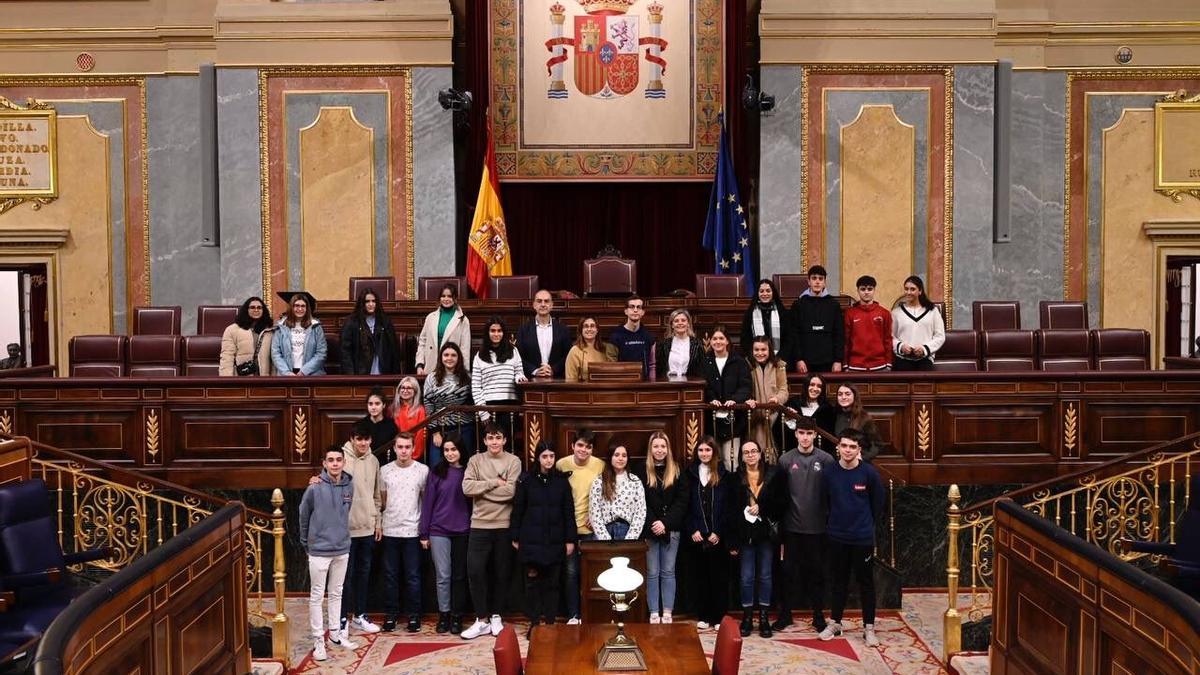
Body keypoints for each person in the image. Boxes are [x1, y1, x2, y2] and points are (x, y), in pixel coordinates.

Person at [820, 428, 885, 648]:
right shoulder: (828, 472)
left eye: (852, 447)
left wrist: (864, 526)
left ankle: (869, 628)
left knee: (866, 583)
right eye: (844, 446)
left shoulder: (869, 474)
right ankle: (836, 622)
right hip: (837, 537)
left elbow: (878, 506)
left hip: (862, 538)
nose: (847, 450)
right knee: (838, 581)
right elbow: (824, 502)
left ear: (859, 450)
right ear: (837, 447)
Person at [771, 416, 834, 634]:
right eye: (801, 433)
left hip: (818, 528)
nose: (805, 437)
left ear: (815, 435)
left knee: (816, 573)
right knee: (788, 573)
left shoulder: (826, 460)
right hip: (791, 529)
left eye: (809, 433)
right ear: (796, 434)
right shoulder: (785, 460)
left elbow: (831, 494)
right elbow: (779, 495)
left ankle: (818, 616)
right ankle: (785, 615)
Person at [460, 424, 523, 639]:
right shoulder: (475, 461)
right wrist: (495, 482)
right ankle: (481, 619)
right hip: (479, 525)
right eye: (490, 438)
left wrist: (482, 490)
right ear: (485, 441)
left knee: (501, 573)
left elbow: (512, 491)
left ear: (504, 440)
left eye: (498, 437)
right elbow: (467, 488)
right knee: (476, 572)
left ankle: (496, 616)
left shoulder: (513, 461)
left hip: (503, 526)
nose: (494, 442)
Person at [299, 445, 358, 662]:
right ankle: (318, 641)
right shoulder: (314, 488)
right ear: (324, 463)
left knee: (336, 593)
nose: (335, 464)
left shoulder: (349, 485)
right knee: (317, 596)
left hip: (342, 548)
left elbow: (344, 513)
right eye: (330, 460)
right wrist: (307, 542)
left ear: (343, 462)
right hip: (319, 550)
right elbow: (303, 515)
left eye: (338, 460)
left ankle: (335, 633)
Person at [511, 441, 577, 633]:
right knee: (532, 584)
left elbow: (568, 513)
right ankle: (534, 623)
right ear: (538, 458)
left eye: (551, 456)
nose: (548, 460)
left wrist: (570, 540)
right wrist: (515, 535)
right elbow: (518, 510)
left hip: (555, 541)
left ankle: (549, 622)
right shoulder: (526, 480)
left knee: (553, 584)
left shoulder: (562, 482)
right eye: (544, 456)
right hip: (531, 541)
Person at [419, 434, 472, 635]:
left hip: (462, 530)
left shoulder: (468, 472)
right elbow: (428, 504)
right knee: (443, 575)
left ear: (460, 450)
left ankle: (458, 616)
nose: (450, 453)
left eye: (453, 449)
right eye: (446, 450)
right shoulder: (436, 473)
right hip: (438, 530)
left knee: (459, 576)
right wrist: (424, 533)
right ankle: (444, 614)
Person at [729, 439, 781, 638]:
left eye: (753, 451)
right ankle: (748, 616)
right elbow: (731, 510)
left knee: (766, 575)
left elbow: (782, 503)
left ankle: (764, 617)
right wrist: (733, 540)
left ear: (761, 454)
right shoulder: (736, 478)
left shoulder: (773, 474)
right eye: (746, 452)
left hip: (766, 532)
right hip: (746, 534)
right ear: (742, 457)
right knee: (746, 577)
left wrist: (763, 507)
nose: (750, 455)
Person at [336, 421, 383, 636]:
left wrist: (378, 521)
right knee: (345, 576)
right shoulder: (341, 460)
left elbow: (376, 495)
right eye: (359, 439)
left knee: (364, 575)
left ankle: (360, 616)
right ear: (352, 439)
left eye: (366, 439)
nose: (363, 443)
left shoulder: (374, 461)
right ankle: (342, 619)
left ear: (370, 440)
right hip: (345, 529)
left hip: (367, 527)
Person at [379, 432, 429, 633]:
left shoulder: (422, 471)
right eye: (400, 447)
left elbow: (425, 501)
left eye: (407, 447)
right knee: (390, 575)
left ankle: (414, 616)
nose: (403, 451)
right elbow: (382, 500)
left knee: (413, 576)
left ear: (413, 448)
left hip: (412, 531)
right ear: (394, 448)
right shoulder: (384, 471)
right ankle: (391, 615)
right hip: (390, 530)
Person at [637, 431, 689, 624]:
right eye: (656, 446)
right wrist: (655, 523)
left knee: (668, 571)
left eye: (663, 446)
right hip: (650, 529)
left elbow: (682, 501)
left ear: (668, 449)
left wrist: (665, 523)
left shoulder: (676, 470)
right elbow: (640, 501)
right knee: (652, 572)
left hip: (671, 529)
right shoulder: (641, 470)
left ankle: (667, 611)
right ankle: (653, 612)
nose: (659, 450)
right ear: (650, 449)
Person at [556, 429, 605, 624]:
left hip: (591, 529)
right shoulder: (561, 464)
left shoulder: (600, 465)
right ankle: (574, 615)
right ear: (573, 446)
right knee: (570, 574)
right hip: (568, 529)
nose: (584, 450)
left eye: (588, 447)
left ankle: (590, 614)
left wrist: (596, 516)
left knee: (592, 574)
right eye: (580, 445)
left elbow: (606, 494)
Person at [686, 435, 731, 631]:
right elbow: (685, 505)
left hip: (717, 536)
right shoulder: (689, 474)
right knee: (700, 578)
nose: (704, 454)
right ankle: (703, 616)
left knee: (718, 578)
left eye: (708, 450)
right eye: (701, 450)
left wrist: (718, 532)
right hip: (697, 536)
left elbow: (728, 507)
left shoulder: (723, 474)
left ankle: (719, 617)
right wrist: (692, 528)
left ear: (714, 452)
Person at [701, 325, 752, 471]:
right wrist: (711, 398)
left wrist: (735, 399)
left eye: (721, 338)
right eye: (714, 339)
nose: (718, 342)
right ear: (710, 342)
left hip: (733, 422)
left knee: (731, 462)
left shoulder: (739, 362)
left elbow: (746, 387)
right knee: (714, 463)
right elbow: (703, 386)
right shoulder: (705, 362)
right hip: (712, 422)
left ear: (727, 341)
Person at [471, 317, 526, 437]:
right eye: (493, 331)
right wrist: (482, 411)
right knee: (491, 443)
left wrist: (519, 377)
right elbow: (475, 386)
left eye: (499, 331)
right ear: (487, 333)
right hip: (489, 406)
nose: (496, 334)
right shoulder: (479, 355)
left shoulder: (513, 351)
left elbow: (519, 371)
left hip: (510, 405)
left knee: (507, 442)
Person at [424, 342, 474, 464]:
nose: (449, 358)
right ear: (441, 357)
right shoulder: (432, 378)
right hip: (440, 430)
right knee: (436, 465)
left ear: (459, 358)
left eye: (453, 355)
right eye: (446, 355)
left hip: (464, 429)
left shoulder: (467, 377)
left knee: (464, 466)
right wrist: (435, 432)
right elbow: (428, 405)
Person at [789, 265, 843, 374]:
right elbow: (794, 334)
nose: (817, 282)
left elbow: (839, 334)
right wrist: (798, 359)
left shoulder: (834, 305)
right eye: (814, 278)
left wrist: (838, 360)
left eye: (820, 278)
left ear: (825, 282)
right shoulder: (798, 304)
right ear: (808, 281)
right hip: (805, 361)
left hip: (828, 361)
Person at [589, 441, 646, 541]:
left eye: (624, 455)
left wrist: (631, 538)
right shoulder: (599, 481)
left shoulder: (635, 481)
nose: (620, 458)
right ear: (610, 457)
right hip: (604, 531)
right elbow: (594, 512)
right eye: (616, 455)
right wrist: (604, 538)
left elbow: (640, 512)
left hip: (627, 531)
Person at [747, 336, 789, 464]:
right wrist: (748, 400)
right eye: (756, 349)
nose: (760, 353)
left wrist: (777, 398)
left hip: (773, 415)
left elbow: (784, 389)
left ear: (769, 350)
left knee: (775, 449)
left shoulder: (779, 365)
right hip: (755, 415)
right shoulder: (747, 364)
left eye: (763, 349)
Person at [515, 289, 574, 379]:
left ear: (551, 305)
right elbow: (518, 356)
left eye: (546, 301)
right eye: (539, 301)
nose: (543, 304)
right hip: (530, 381)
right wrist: (535, 370)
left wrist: (553, 370)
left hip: (557, 381)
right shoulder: (523, 330)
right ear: (534, 305)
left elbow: (568, 355)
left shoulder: (563, 329)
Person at [340, 287, 400, 375]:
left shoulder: (385, 321)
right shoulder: (352, 323)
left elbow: (393, 350)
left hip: (383, 371)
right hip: (360, 373)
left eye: (374, 301)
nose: (371, 304)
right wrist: (351, 376)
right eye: (367, 301)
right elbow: (345, 352)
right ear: (362, 303)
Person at [892, 275, 946, 371]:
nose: (908, 292)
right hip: (902, 359)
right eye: (906, 289)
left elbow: (940, 336)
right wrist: (901, 346)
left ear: (920, 291)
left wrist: (925, 348)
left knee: (924, 384)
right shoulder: (896, 313)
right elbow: (890, 337)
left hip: (925, 359)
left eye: (912, 289)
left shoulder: (932, 311)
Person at [416, 283, 471, 377]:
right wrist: (419, 365)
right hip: (431, 366)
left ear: (455, 298)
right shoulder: (430, 317)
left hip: (452, 368)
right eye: (443, 296)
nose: (446, 299)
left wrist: (464, 371)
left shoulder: (463, 319)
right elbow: (422, 342)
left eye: (449, 296)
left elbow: (465, 348)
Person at [844, 275, 893, 372]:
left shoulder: (884, 313)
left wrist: (889, 363)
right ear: (858, 290)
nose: (866, 292)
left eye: (869, 289)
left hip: (880, 365)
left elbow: (888, 339)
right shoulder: (850, 313)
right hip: (855, 365)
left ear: (874, 290)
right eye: (863, 289)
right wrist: (845, 364)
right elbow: (846, 340)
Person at [270, 291, 327, 375]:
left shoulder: (316, 327)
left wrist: (304, 371)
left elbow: (321, 353)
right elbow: (276, 353)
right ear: (291, 307)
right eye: (296, 306)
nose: (300, 309)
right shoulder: (281, 327)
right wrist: (287, 372)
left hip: (311, 374)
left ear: (307, 308)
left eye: (303, 306)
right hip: (287, 374)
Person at [219, 296, 275, 376]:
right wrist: (226, 380)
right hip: (242, 378)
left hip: (264, 378)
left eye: (259, 308)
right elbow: (227, 357)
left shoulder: (270, 331)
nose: (256, 310)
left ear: (263, 310)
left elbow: (275, 359)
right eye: (252, 307)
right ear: (246, 310)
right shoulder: (232, 330)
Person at [741, 279, 791, 365]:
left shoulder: (782, 312)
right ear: (757, 293)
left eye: (768, 291)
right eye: (761, 291)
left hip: (779, 359)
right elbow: (745, 339)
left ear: (773, 293)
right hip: (756, 359)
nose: (765, 294)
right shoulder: (750, 313)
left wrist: (779, 358)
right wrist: (755, 357)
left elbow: (789, 338)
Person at [783, 373, 836, 451]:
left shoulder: (828, 409)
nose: (815, 389)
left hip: (818, 452)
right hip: (794, 451)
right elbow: (783, 432)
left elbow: (829, 437)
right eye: (812, 385)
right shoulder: (793, 403)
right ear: (806, 386)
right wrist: (789, 419)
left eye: (819, 386)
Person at [833, 383, 884, 461]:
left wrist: (863, 458)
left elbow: (878, 445)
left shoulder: (864, 418)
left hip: (858, 463)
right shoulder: (834, 415)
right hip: (839, 462)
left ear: (854, 396)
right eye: (840, 394)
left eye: (847, 394)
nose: (843, 397)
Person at [609, 295, 656, 379]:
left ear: (643, 312)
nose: (635, 310)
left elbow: (652, 365)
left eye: (639, 307)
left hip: (644, 383)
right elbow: (612, 365)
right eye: (632, 307)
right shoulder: (615, 336)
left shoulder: (649, 336)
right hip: (623, 383)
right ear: (626, 311)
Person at [655, 308, 704, 380]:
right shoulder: (664, 344)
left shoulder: (697, 344)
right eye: (676, 321)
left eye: (683, 320)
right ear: (672, 325)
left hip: (690, 385)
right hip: (668, 384)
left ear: (688, 324)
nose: (680, 323)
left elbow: (702, 369)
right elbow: (659, 369)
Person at [565, 316, 618, 382]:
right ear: (581, 330)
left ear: (597, 330)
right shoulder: (574, 351)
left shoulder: (606, 349)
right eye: (586, 326)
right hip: (583, 391)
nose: (589, 329)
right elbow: (570, 381)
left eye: (592, 326)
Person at [358, 388, 399, 465]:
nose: (373, 407)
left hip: (385, 465)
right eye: (370, 404)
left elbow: (395, 450)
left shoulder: (391, 425)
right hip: (364, 465)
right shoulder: (360, 425)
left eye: (377, 404)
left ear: (383, 405)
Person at [392, 376, 427, 462]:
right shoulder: (392, 409)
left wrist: (413, 455)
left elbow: (420, 436)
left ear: (415, 391)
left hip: (414, 455)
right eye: (402, 388)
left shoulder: (420, 410)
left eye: (409, 388)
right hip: (396, 454)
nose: (405, 390)